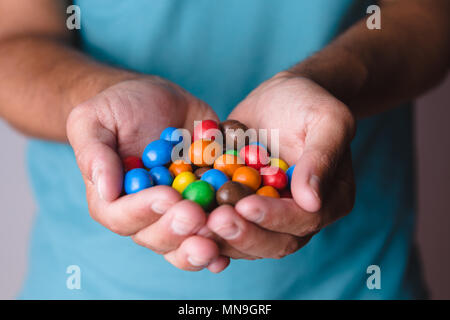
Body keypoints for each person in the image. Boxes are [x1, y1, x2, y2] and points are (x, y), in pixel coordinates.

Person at [0, 0, 448, 299]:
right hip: (87, 284)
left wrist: (324, 84)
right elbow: (13, 40)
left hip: (359, 278)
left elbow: (426, 15)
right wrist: (102, 93)